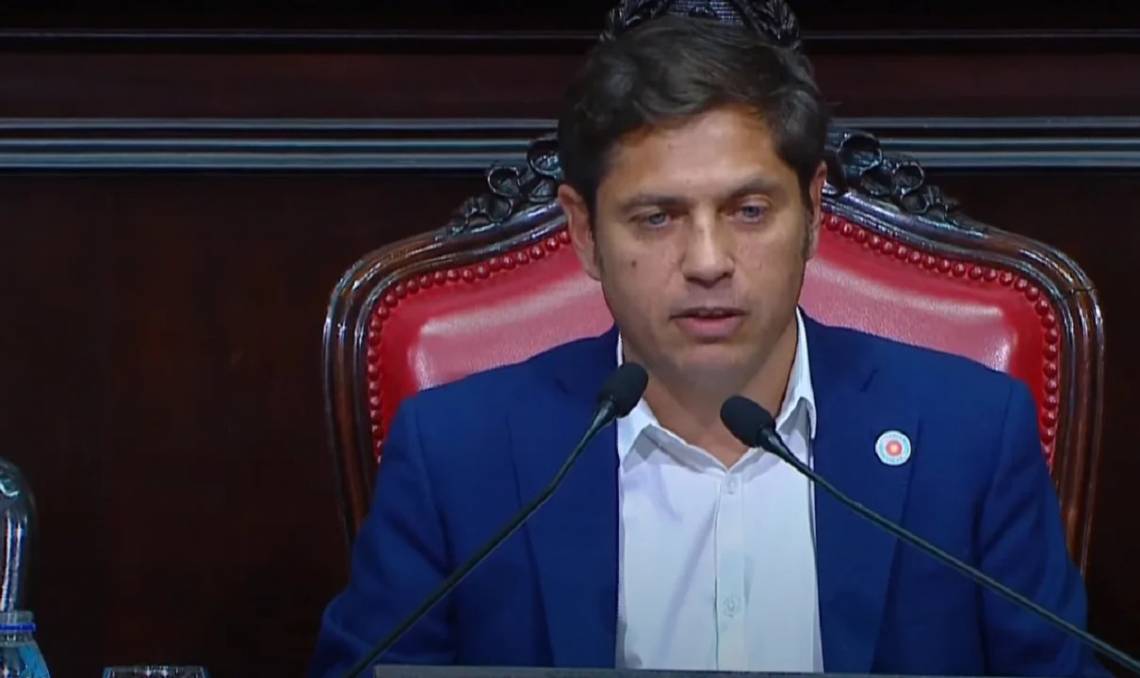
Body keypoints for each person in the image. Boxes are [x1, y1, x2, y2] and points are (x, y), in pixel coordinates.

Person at [310, 15, 1104, 677]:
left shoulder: (968, 435)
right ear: (584, 232)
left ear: (816, 213)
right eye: (656, 217)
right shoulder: (457, 453)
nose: (708, 261)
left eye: (749, 211)